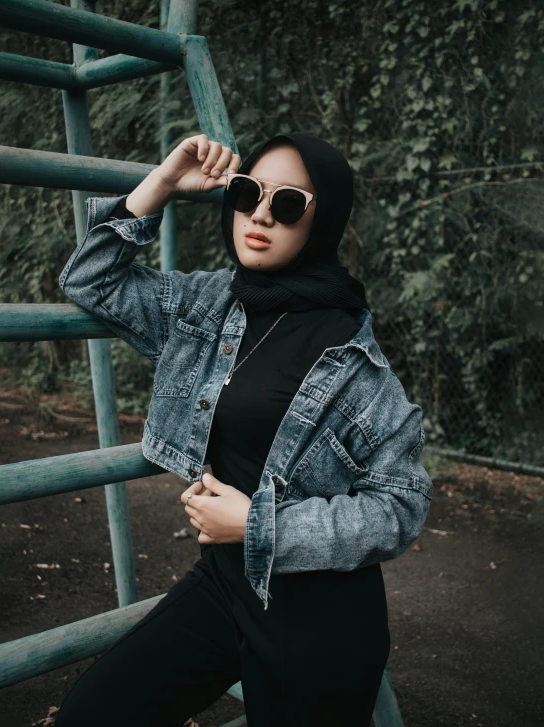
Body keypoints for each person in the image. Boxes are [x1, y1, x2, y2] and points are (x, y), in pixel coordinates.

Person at [54, 132, 430, 726]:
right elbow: (90, 279)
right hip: (227, 587)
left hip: (321, 620)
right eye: (249, 192)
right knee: (92, 713)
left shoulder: (352, 360)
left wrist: (258, 525)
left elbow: (402, 503)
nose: (259, 213)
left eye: (286, 204)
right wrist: (167, 182)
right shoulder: (207, 305)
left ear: (320, 220)